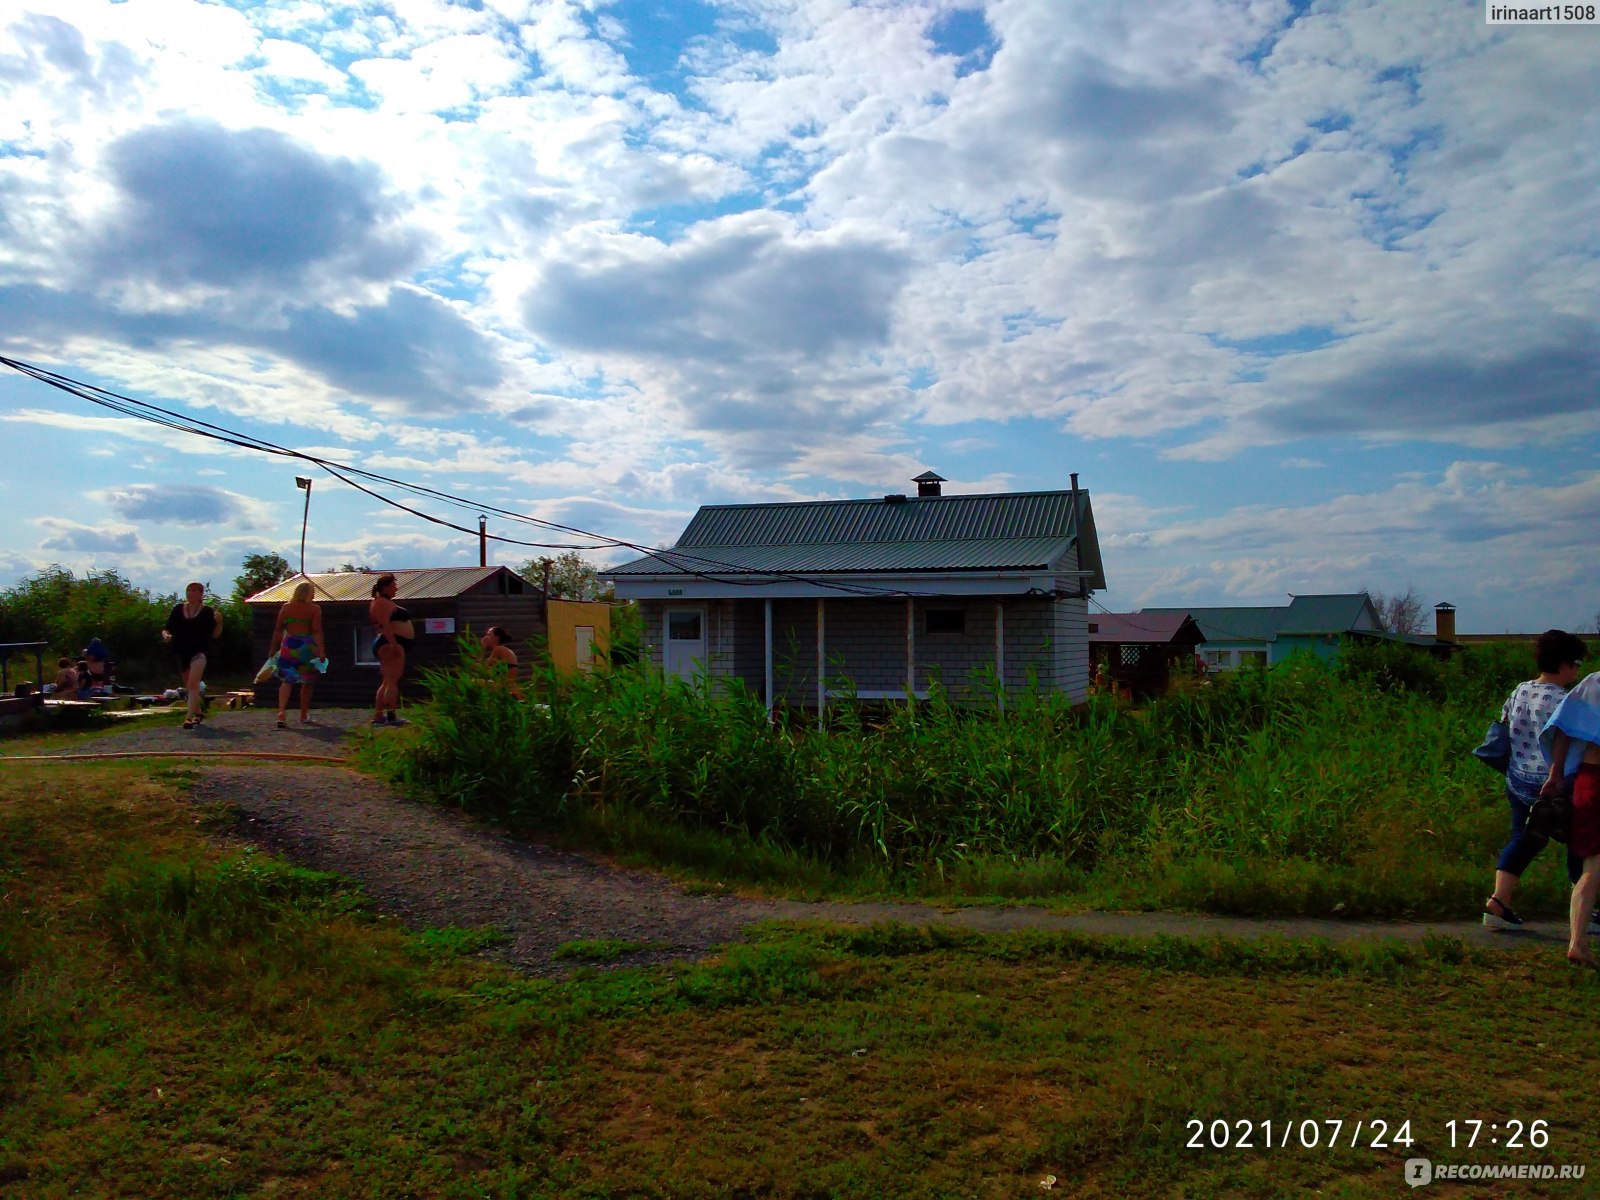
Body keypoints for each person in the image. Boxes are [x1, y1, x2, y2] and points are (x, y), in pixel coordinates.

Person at [1483, 630, 1587, 930]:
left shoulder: (1521, 690)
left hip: (1518, 779)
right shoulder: (1565, 700)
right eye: (1577, 663)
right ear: (1565, 664)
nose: (1577, 670)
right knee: (1580, 841)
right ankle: (1585, 907)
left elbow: (1504, 724)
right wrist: (1556, 775)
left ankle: (1498, 902)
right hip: (1554, 784)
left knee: (1524, 838)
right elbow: (1564, 741)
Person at [1543, 669, 1600, 965]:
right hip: (1593, 779)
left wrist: (1556, 773)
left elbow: (1563, 727)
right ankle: (1578, 943)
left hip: (1589, 779)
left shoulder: (1594, 683)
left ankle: (1578, 941)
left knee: (1592, 866)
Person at [162, 581, 220, 730]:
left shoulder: (207, 612)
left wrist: (220, 623)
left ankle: (189, 718)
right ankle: (199, 712)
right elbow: (167, 628)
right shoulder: (178, 609)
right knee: (189, 686)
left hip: (200, 651)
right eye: (189, 590)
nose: (190, 593)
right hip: (182, 651)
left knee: (193, 684)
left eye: (194, 590)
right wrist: (166, 635)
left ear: (201, 594)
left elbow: (215, 634)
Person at [270, 580, 325, 729]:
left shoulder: (286, 608)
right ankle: (303, 714)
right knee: (307, 682)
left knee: (287, 680)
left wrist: (273, 648)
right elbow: (316, 630)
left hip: (289, 644)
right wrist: (321, 649)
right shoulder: (314, 609)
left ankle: (281, 712)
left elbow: (278, 629)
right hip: (307, 646)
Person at [368, 573, 413, 727]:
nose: (396, 588)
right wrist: (394, 645)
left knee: (387, 681)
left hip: (390, 642)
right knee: (392, 681)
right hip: (390, 643)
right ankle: (391, 716)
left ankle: (379, 715)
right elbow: (383, 625)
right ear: (386, 587)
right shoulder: (381, 603)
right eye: (394, 585)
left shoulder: (383, 602)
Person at [482, 625, 523, 698]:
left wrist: (481, 647)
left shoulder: (499, 649)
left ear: (496, 638)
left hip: (504, 686)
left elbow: (483, 668)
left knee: (473, 682)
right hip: (510, 685)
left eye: (489, 635)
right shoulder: (504, 650)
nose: (486, 637)